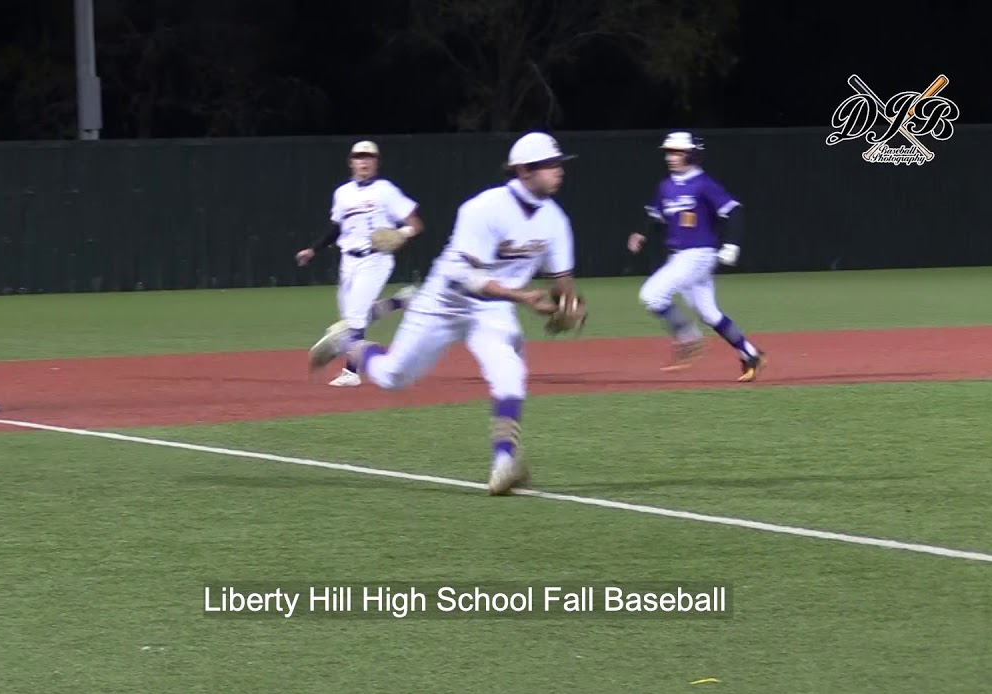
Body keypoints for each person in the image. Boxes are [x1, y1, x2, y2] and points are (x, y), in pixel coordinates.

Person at [307, 131, 580, 495]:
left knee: (510, 374)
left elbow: (564, 280)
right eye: (551, 164)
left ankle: (503, 464)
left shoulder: (555, 220)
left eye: (559, 164)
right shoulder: (484, 208)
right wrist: (525, 298)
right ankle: (348, 343)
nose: (559, 170)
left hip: (492, 311)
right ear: (525, 170)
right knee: (393, 377)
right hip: (443, 301)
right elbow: (468, 277)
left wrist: (569, 306)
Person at [628, 130, 766, 382]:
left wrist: (731, 245)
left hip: (698, 254)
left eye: (677, 152)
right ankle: (750, 353)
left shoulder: (703, 184)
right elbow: (654, 215)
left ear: (692, 154)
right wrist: (640, 232)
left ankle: (687, 336)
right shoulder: (666, 186)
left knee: (651, 295)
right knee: (709, 314)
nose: (671, 157)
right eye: (669, 152)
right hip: (679, 257)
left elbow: (734, 211)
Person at [295, 140, 424, 387]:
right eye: (359, 157)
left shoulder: (386, 190)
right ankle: (401, 301)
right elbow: (336, 228)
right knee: (355, 319)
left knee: (354, 320)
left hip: (375, 260)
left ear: (376, 163)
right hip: (348, 261)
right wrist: (313, 250)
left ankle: (351, 372)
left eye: (369, 157)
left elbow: (416, 224)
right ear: (351, 162)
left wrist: (402, 234)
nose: (363, 161)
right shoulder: (342, 193)